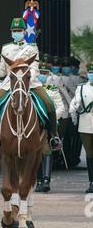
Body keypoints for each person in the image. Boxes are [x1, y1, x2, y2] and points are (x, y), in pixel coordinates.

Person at [0, 18, 62, 155]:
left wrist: (24, 80)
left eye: (19, 31)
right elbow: (2, 71)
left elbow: (34, 69)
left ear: (24, 32)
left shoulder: (32, 48)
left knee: (49, 104)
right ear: (11, 32)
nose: (17, 33)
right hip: (10, 84)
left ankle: (53, 137)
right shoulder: (6, 48)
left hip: (30, 83)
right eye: (14, 31)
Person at [35, 61, 65, 193]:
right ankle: (38, 180)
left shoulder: (52, 90)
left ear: (49, 75)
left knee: (46, 150)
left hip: (48, 125)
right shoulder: (32, 90)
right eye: (40, 73)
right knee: (35, 153)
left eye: (45, 73)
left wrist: (51, 119)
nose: (42, 75)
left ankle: (46, 180)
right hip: (35, 125)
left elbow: (61, 108)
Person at [70, 63, 93, 193]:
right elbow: (76, 101)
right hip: (85, 125)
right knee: (90, 154)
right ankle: (91, 182)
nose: (91, 75)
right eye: (90, 73)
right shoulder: (82, 88)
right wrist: (73, 112)